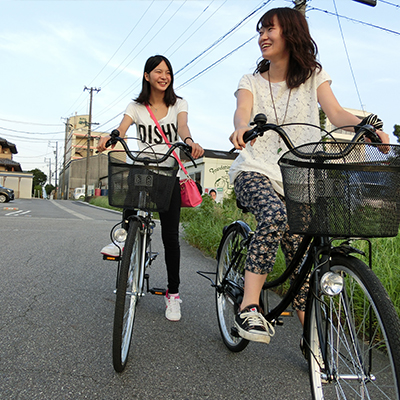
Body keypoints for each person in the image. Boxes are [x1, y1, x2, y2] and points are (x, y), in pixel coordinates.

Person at [229, 7, 389, 343]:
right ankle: (249, 306)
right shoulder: (251, 81)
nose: (263, 36)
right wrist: (242, 128)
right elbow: (242, 111)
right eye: (261, 31)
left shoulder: (314, 76)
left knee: (302, 259)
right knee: (273, 216)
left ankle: (311, 338)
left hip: (297, 176)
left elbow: (335, 112)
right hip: (254, 168)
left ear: (291, 33)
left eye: (271, 29)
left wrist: (366, 127)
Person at [97, 55, 204, 322]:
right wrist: (110, 138)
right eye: (158, 71)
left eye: (168, 72)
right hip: (144, 169)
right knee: (131, 194)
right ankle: (123, 238)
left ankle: (173, 295)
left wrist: (189, 141)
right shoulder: (136, 107)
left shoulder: (179, 103)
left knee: (170, 237)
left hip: (169, 175)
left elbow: (182, 127)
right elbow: (122, 129)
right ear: (147, 76)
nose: (164, 76)